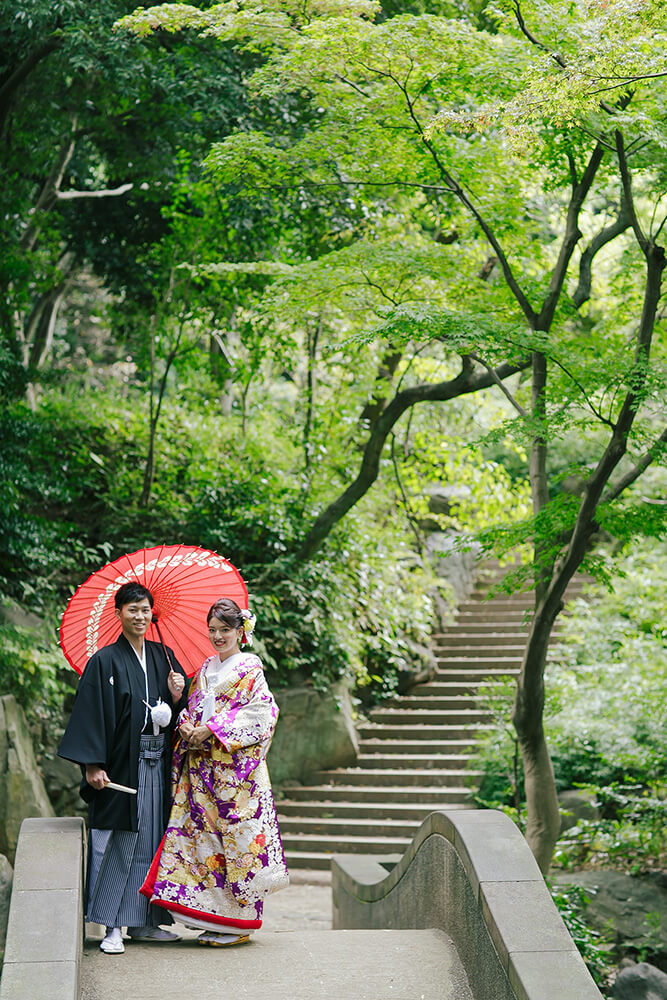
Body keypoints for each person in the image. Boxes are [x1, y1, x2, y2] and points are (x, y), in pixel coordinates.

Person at [139, 598, 289, 946]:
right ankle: (217, 917)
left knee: (237, 844)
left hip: (237, 778)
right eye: (213, 630)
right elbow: (193, 710)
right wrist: (187, 721)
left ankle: (239, 925)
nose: (218, 636)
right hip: (202, 772)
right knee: (204, 844)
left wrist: (215, 728)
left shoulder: (250, 669)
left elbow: (263, 715)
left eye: (225, 630)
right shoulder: (206, 668)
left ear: (241, 631)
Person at [58, 581, 188, 955]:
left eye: (146, 610)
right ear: (119, 614)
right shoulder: (104, 661)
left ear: (152, 613)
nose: (140, 616)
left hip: (158, 763)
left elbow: (184, 711)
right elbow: (91, 715)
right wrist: (92, 764)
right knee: (118, 842)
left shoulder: (165, 656)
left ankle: (145, 922)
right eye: (132, 610)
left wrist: (177, 698)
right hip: (120, 768)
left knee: (152, 841)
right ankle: (112, 925)